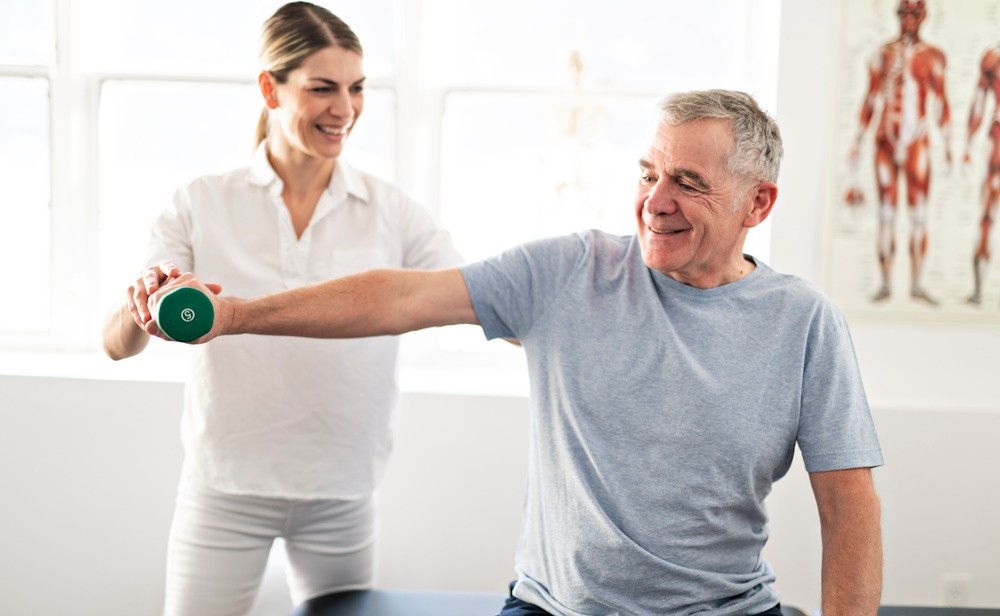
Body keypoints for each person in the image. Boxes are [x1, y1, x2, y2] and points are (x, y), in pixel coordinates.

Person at [136, 90, 885, 615]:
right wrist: (235, 315)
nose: (657, 200)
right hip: (552, 608)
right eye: (649, 174)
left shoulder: (802, 323)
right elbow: (399, 297)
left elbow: (846, 502)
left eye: (689, 183)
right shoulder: (569, 273)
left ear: (759, 203)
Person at [102, 3, 461, 615]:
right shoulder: (201, 201)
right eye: (323, 88)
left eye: (356, 88)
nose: (344, 109)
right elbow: (117, 343)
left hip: (341, 492)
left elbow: (471, 294)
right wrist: (143, 308)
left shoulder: (391, 211)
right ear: (270, 88)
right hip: (224, 487)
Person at [844, 0, 952, 304]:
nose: (908, 19)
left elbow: (942, 102)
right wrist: (857, 140)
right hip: (885, 141)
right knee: (886, 215)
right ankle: (886, 283)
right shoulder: (882, 54)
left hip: (917, 140)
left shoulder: (933, 56)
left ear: (923, 16)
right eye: (904, 13)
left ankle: (917, 283)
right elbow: (869, 99)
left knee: (919, 216)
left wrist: (946, 147)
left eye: (914, 13)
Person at [962, 43, 1000, 305]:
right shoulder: (993, 57)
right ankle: (979, 289)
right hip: (997, 140)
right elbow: (978, 102)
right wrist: (967, 143)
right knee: (987, 210)